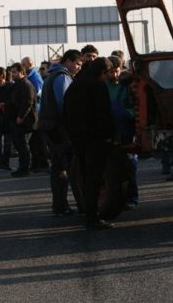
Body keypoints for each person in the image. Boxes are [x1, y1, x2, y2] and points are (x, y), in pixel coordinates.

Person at [64, 57, 115, 230]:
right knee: (94, 178)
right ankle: (92, 218)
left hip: (78, 138)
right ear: (103, 72)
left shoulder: (75, 85)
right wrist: (109, 135)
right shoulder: (98, 86)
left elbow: (66, 111)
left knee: (85, 177)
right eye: (108, 74)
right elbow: (104, 114)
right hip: (96, 139)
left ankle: (87, 212)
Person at [38, 49, 82, 216]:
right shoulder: (62, 77)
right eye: (77, 64)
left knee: (59, 166)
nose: (78, 67)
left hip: (49, 126)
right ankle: (61, 205)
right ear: (68, 61)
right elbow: (64, 103)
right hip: (57, 128)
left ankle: (60, 204)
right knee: (61, 167)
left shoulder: (52, 75)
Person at [106, 55, 138, 209]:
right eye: (111, 72)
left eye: (117, 71)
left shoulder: (127, 85)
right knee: (113, 168)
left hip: (126, 130)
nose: (114, 75)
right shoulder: (104, 86)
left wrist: (129, 113)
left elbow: (135, 106)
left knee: (130, 166)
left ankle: (132, 198)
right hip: (111, 131)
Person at [8, 62, 37, 177]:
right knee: (19, 144)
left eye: (14, 72)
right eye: (12, 72)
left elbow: (27, 102)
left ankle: (25, 168)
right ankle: (23, 167)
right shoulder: (17, 84)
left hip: (25, 120)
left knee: (23, 145)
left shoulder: (26, 84)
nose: (12, 74)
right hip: (17, 119)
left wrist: (21, 116)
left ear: (21, 72)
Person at [22, 56, 49, 172]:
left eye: (24, 64)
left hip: (37, 112)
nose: (22, 67)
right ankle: (37, 162)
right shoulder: (30, 76)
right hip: (34, 112)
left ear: (30, 64)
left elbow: (38, 94)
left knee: (38, 139)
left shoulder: (35, 77)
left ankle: (42, 162)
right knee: (34, 140)